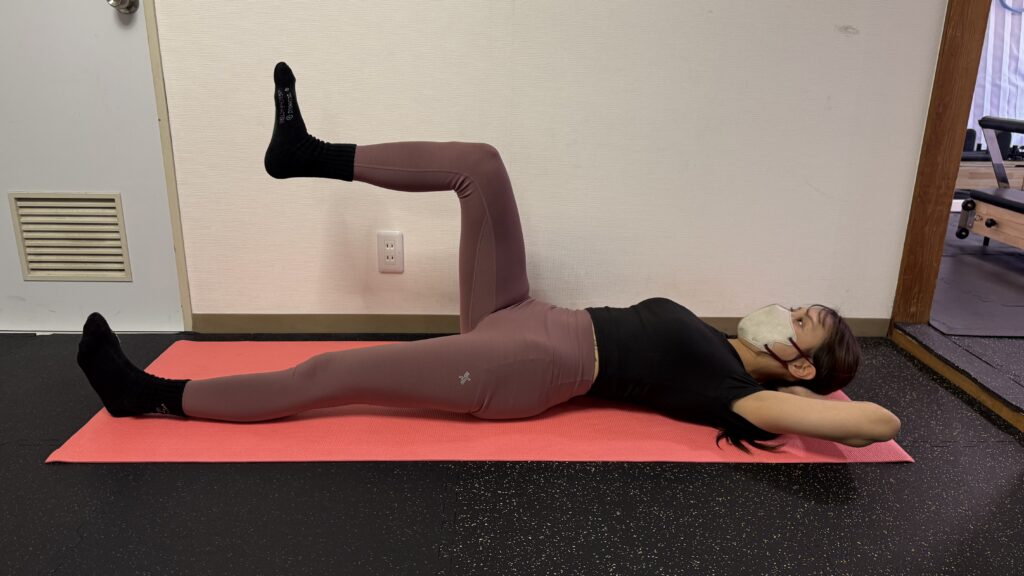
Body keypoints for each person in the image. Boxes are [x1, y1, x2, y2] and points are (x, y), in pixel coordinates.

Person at [76, 63, 901, 454]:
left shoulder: (739, 396)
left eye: (801, 321)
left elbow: (876, 425)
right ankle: (305, 154)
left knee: (335, 372)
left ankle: (149, 396)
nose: (784, 310)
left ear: (799, 364)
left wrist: (816, 395)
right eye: (800, 305)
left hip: (525, 369)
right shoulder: (719, 344)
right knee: (481, 164)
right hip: (523, 315)